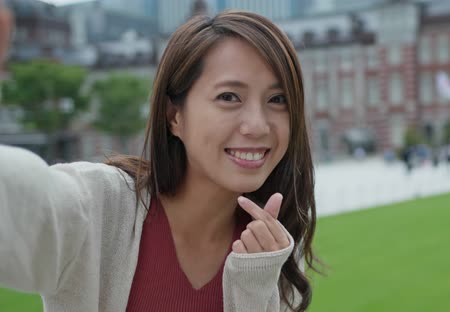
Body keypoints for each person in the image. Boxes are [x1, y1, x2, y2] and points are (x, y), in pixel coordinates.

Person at [0, 9, 317, 312]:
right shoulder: (99, 208)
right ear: (174, 116)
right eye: (229, 97)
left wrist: (253, 289)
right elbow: (20, 197)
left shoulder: (272, 249)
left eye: (278, 100)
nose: (258, 126)